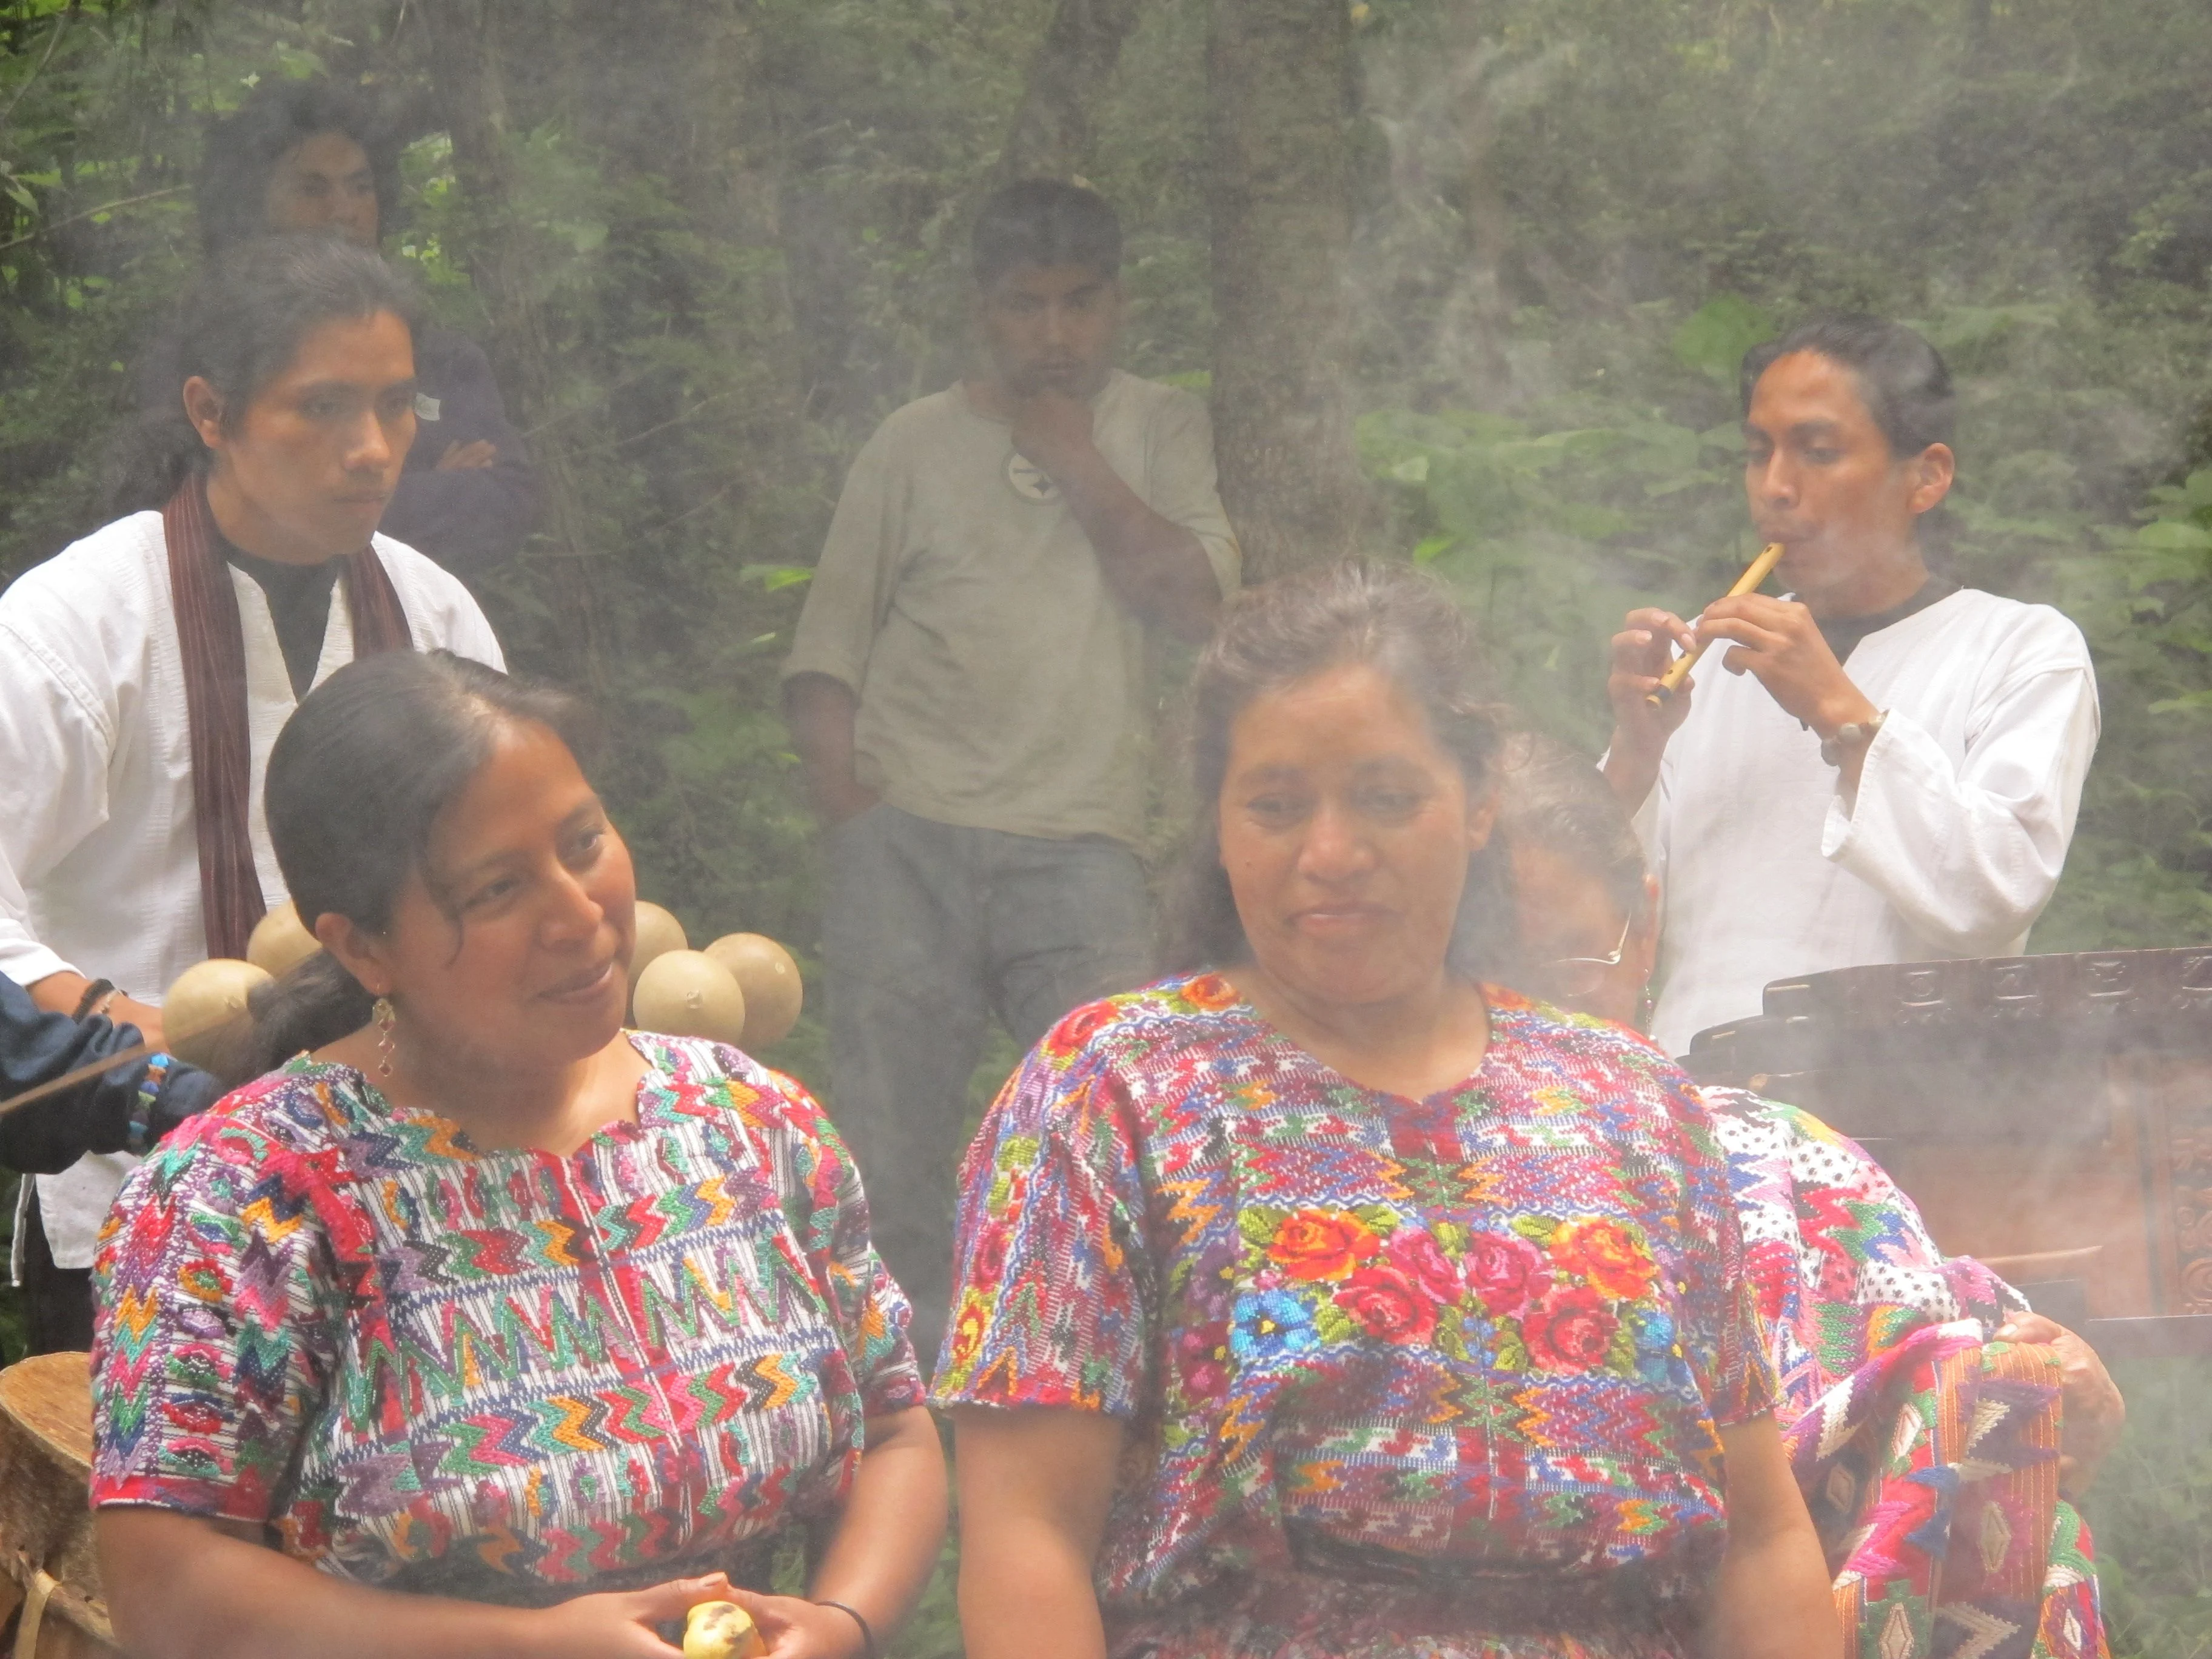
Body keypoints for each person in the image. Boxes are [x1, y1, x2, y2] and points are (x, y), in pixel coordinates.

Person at [934, 561, 1837, 1659]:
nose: (1329, 855)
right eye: (1274, 806)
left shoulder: (1631, 1104)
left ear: (1478, 805)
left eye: (1384, 797)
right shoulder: (1113, 1092)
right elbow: (1027, 1534)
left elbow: (1756, 1539)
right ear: (1218, 828)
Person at [90, 649, 947, 1658]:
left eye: (583, 841)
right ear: (365, 948)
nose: (579, 912)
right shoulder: (244, 1198)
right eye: (497, 889)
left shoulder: (750, 1122)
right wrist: (525, 1644)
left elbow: (894, 1425)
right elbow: (165, 1585)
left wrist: (839, 1620)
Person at [1500, 734, 2120, 1659]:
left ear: (1647, 933)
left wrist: (2043, 1383)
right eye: (1472, 974)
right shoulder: (1335, 1188)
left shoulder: (1785, 1163)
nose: (1522, 1018)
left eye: (1564, 971)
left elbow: (1949, 1367)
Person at [0, 233, 504, 1352]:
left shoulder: (438, 621)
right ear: (211, 412)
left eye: (394, 404)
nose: (370, 450)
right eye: (320, 407)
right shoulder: (72, 626)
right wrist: (158, 1051)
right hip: (142, 1196)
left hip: (414, 1189)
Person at [782, 178, 1238, 1355]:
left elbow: (1197, 607)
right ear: (982, 311)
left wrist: (1074, 456)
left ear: (1119, 306)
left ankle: (1097, 1365)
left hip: (1082, 839)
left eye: (1078, 304)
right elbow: (825, 654)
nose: (1053, 333)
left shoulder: (1158, 426)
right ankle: (901, 1392)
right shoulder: (914, 443)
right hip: (911, 834)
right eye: (1025, 305)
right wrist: (857, 813)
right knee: (892, 1145)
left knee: (1114, 1124)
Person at [1601, 315, 2100, 1055]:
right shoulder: (1712, 665)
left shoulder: (2020, 648)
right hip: (1695, 1114)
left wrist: (1841, 713)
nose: (1775, 488)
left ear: (1926, 476)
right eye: (1757, 453)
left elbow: (1995, 898)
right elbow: (1597, 923)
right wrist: (1635, 756)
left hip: (1902, 1124)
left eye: (1819, 452)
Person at [149, 75, 538, 579]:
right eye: (312, 189)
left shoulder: (441, 356)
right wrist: (434, 486)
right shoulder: (200, 351)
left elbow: (509, 499)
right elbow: (196, 505)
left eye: (361, 187)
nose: (344, 212)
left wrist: (329, 501)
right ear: (250, 204)